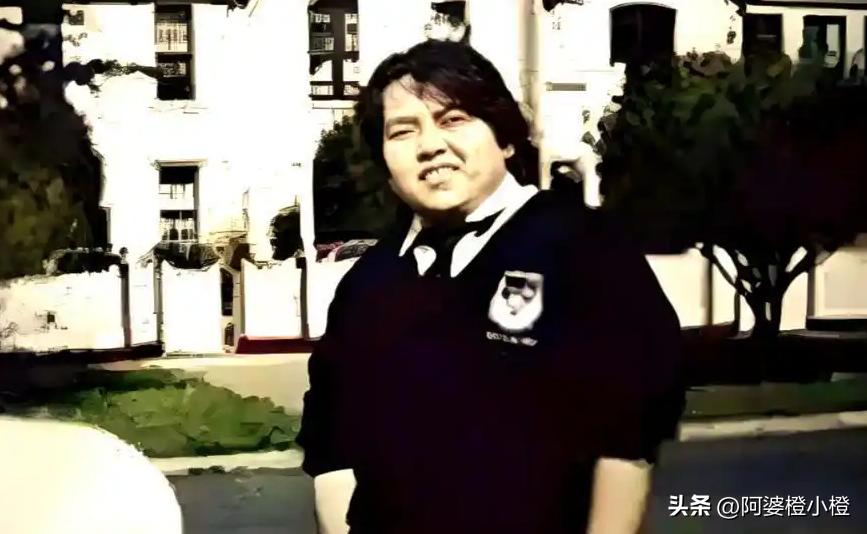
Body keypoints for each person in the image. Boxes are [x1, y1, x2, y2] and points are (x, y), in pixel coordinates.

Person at [297, 39, 685, 534]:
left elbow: (627, 437)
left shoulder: (585, 249)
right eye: (403, 131)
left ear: (505, 139)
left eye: (454, 119)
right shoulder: (366, 284)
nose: (430, 145)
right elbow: (332, 450)